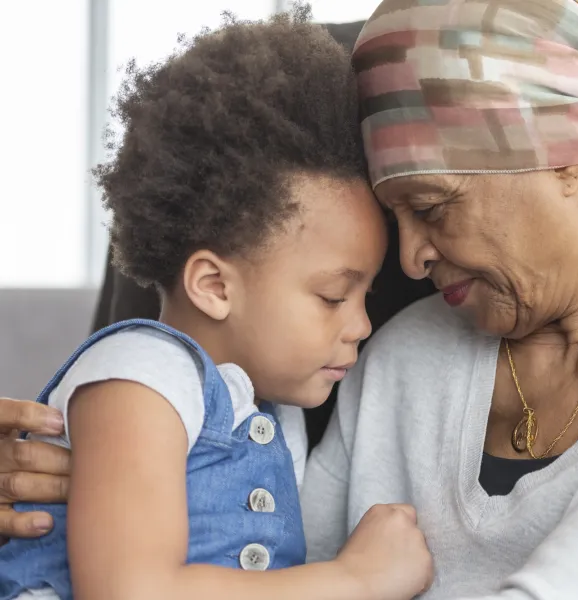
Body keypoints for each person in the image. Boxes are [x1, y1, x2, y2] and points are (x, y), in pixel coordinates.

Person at [2, 0, 578, 598]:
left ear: (563, 154)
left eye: (433, 204)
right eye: (397, 218)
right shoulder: (411, 351)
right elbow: (271, 566)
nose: (412, 262)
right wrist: (105, 482)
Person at [0, 9, 433, 600]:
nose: (360, 325)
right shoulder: (140, 381)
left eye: (367, 296)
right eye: (333, 295)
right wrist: (352, 580)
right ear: (214, 286)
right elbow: (131, 590)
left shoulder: (269, 412)